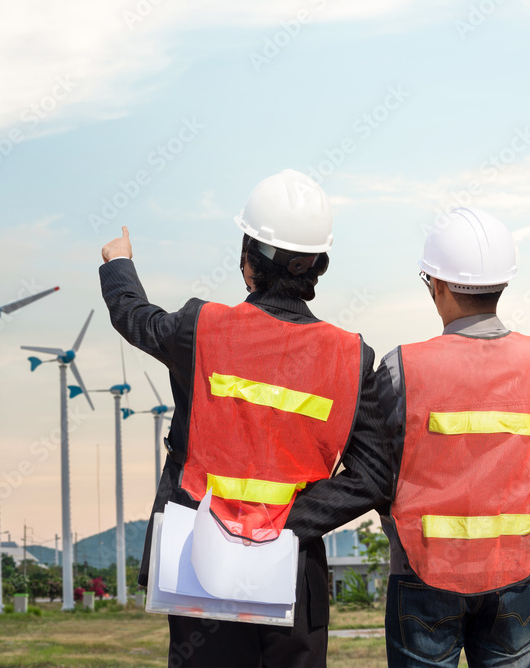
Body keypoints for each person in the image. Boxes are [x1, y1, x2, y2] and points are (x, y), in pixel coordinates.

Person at [98, 169, 390, 667]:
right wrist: (287, 524)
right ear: (319, 265)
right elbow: (374, 476)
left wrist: (119, 263)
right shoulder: (351, 357)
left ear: (246, 257)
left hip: (199, 567)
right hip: (292, 573)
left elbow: (135, 318)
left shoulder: (202, 328)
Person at [376, 206, 530, 667]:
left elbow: (379, 475)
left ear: (436, 285)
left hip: (424, 571)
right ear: (503, 283)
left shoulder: (402, 367)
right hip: (513, 570)